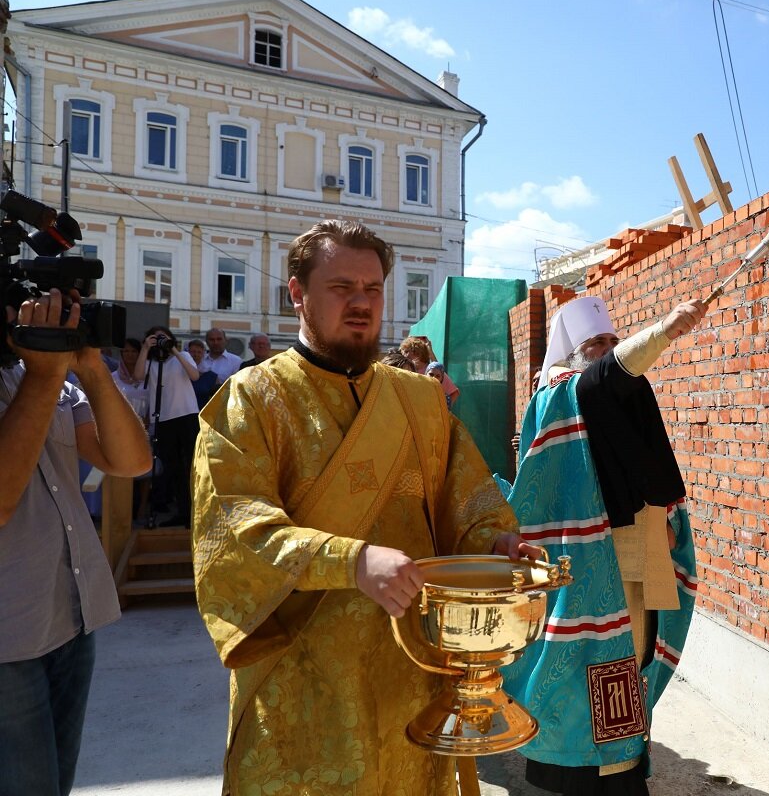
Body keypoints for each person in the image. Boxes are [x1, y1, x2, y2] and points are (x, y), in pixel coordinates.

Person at [192, 219, 536, 795]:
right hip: (305, 683)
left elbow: (470, 499)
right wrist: (351, 561)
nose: (361, 304)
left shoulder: (422, 400)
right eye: (341, 287)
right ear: (297, 293)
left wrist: (495, 545)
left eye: (373, 289)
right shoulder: (252, 400)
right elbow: (234, 532)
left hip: (414, 676)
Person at [500, 295, 707, 796]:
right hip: (590, 561)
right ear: (571, 354)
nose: (607, 350)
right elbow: (603, 379)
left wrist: (669, 520)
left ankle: (625, 764)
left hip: (642, 548)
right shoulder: (558, 396)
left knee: (635, 658)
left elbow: (648, 458)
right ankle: (598, 772)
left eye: (612, 340)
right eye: (595, 343)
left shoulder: (621, 391)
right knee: (596, 661)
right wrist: (664, 330)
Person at [0, 288, 152, 796]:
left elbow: (131, 462)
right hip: (8, 640)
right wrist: (45, 375)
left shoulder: (47, 380)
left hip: (71, 621)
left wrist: (90, 368)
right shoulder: (41, 378)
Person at [134, 325, 199, 527]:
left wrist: (173, 350)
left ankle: (196, 513)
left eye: (165, 337)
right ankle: (182, 511)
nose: (161, 341)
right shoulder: (152, 364)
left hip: (186, 415)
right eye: (156, 338)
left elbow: (194, 376)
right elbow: (137, 376)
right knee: (173, 468)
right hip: (163, 419)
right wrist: (145, 349)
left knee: (191, 466)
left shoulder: (183, 356)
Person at [399, 335, 459, 408]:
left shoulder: (431, 371)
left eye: (407, 351)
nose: (404, 355)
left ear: (417, 352)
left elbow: (454, 393)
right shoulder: (404, 369)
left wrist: (444, 410)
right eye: (404, 351)